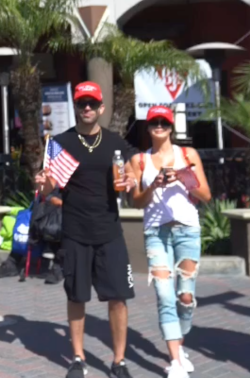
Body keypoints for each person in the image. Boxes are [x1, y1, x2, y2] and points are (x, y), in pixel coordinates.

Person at [36, 82, 139, 378]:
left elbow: (133, 168)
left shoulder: (115, 142)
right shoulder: (60, 142)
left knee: (119, 298)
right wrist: (43, 183)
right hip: (75, 232)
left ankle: (118, 361)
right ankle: (78, 358)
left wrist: (132, 179)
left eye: (92, 103)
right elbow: (50, 185)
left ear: (101, 107)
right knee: (76, 297)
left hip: (110, 231)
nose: (88, 108)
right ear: (77, 107)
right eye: (82, 104)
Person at [130, 106, 211, 378]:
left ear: (171, 127)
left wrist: (182, 177)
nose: (160, 126)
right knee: (165, 295)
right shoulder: (139, 160)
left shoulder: (187, 155)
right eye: (155, 122)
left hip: (187, 229)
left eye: (164, 122)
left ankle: (180, 344)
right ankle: (176, 361)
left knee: (185, 297)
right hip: (156, 232)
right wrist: (153, 186)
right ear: (148, 126)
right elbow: (136, 201)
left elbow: (206, 195)